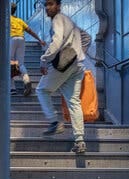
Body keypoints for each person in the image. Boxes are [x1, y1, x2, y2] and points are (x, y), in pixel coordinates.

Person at [36, 0, 87, 154]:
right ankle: (80, 141)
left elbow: (57, 42)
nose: (47, 7)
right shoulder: (70, 22)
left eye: (51, 4)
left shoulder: (58, 19)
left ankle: (54, 122)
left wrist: (44, 60)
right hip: (78, 65)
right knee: (73, 102)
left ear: (58, 6)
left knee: (41, 90)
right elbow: (87, 38)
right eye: (46, 5)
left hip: (65, 64)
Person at [10, 2, 46, 96]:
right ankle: (26, 80)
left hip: (11, 39)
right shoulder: (19, 20)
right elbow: (29, 30)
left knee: (9, 63)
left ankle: (12, 88)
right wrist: (40, 40)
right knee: (20, 63)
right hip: (21, 39)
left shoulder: (6, 20)